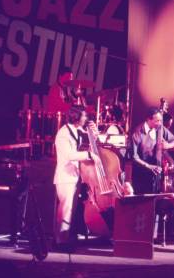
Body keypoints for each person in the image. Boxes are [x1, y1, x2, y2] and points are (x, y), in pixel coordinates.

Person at [53, 105, 100, 248]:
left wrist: (94, 133)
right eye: (84, 116)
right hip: (66, 176)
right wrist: (89, 155)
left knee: (71, 210)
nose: (86, 118)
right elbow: (69, 155)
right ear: (76, 117)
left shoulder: (77, 130)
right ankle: (60, 240)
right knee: (66, 209)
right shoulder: (63, 133)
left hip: (76, 175)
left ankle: (67, 237)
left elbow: (91, 142)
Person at [130, 108, 174, 194]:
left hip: (156, 173)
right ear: (148, 119)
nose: (160, 123)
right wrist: (149, 166)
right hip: (141, 174)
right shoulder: (137, 132)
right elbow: (134, 157)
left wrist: (168, 145)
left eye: (160, 121)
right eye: (157, 121)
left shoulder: (160, 128)